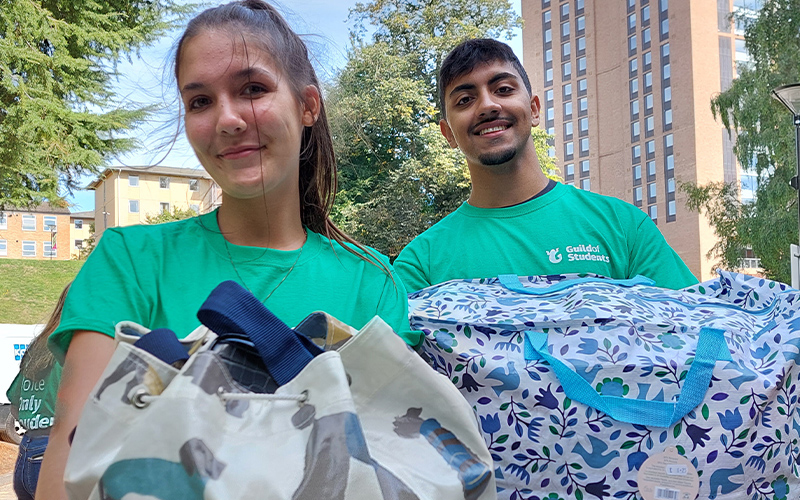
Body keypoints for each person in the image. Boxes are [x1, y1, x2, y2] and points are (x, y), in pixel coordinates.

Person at [36, 2, 410, 497]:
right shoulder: (131, 259)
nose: (227, 120)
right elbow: (70, 462)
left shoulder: (374, 283)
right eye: (200, 101)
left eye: (252, 89)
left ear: (307, 106)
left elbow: (395, 465)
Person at [394, 38, 697, 293]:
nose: (487, 105)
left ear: (534, 109)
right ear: (448, 133)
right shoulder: (422, 264)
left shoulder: (624, 228)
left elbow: (698, 333)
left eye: (503, 89)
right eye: (464, 99)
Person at [6, 283, 70, 500]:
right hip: (52, 455)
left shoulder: (39, 346)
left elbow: (14, 406)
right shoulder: (71, 347)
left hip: (27, 452)